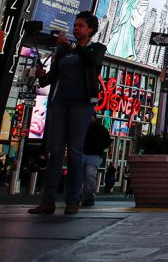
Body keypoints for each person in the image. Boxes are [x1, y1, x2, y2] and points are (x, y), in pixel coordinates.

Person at [29, 11, 105, 215]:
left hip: (81, 104)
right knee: (54, 151)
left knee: (74, 151)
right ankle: (48, 200)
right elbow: (52, 78)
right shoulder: (64, 52)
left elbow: (91, 61)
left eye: (81, 26)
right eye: (75, 25)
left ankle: (73, 199)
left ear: (90, 29)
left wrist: (71, 46)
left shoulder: (95, 49)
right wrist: (42, 77)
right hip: (60, 103)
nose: (76, 29)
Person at [82, 116, 112, 206]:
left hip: (92, 154)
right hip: (91, 154)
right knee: (88, 176)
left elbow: (107, 142)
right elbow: (108, 142)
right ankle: (86, 197)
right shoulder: (100, 129)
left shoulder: (99, 129)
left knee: (88, 175)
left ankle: (87, 197)